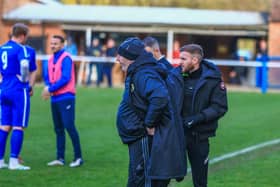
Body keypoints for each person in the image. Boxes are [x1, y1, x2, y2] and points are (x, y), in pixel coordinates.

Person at [116, 37, 186, 187]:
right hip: (136, 135)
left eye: (120, 55)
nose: (117, 59)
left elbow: (160, 96)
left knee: (143, 180)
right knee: (135, 179)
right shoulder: (138, 71)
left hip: (142, 135)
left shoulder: (143, 73)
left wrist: (149, 123)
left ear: (131, 57)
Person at [179, 44, 228, 187]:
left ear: (194, 60)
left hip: (199, 137)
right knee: (163, 178)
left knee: (200, 182)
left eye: (183, 58)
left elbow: (220, 107)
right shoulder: (176, 75)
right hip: (176, 136)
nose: (179, 62)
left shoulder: (213, 79)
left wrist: (197, 118)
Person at [42, 35, 83, 168]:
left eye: (56, 43)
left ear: (62, 45)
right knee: (58, 129)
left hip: (66, 97)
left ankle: (78, 158)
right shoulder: (50, 59)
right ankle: (60, 158)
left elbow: (65, 78)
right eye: (51, 43)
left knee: (69, 127)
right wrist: (49, 87)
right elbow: (48, 76)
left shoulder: (66, 58)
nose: (53, 45)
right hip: (55, 98)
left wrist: (50, 89)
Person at [0, 23, 37, 170]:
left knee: (3, 126)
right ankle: (14, 161)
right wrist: (24, 80)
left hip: (4, 90)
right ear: (22, 35)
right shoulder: (21, 48)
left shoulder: (2, 47)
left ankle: (1, 161)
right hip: (18, 90)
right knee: (18, 126)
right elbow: (25, 65)